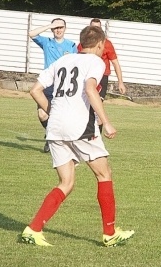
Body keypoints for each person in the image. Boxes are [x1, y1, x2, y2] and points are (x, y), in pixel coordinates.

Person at [20, 24, 135, 247]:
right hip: (80, 126)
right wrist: (106, 122)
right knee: (104, 174)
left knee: (66, 182)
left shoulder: (62, 60)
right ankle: (110, 233)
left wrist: (54, 112)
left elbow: (35, 90)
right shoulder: (96, 62)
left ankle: (33, 229)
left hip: (55, 128)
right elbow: (90, 89)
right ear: (100, 44)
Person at [28, 18, 77, 152]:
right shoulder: (46, 42)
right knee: (42, 114)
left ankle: (54, 138)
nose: (58, 30)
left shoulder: (71, 45)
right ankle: (51, 134)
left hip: (63, 85)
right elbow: (31, 34)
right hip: (48, 83)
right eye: (56, 27)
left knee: (62, 114)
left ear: (65, 29)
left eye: (61, 27)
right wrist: (49, 25)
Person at [77, 18, 127, 101]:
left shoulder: (107, 43)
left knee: (99, 100)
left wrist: (120, 82)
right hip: (86, 74)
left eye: (97, 28)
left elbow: (115, 63)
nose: (95, 31)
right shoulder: (83, 44)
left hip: (102, 75)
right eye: (93, 28)